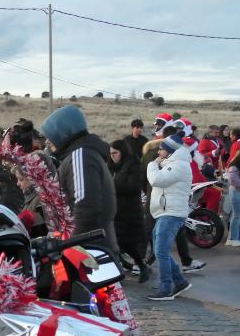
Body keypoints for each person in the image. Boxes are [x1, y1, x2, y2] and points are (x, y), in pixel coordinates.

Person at [40, 105, 118, 252]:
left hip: (88, 251)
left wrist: (70, 246)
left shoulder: (81, 156)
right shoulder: (82, 154)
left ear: (63, 133)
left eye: (51, 136)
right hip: (93, 246)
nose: (47, 142)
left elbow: (85, 206)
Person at [146, 135, 193, 301]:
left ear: (170, 150)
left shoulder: (178, 165)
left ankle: (166, 288)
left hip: (171, 213)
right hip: (165, 212)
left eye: (162, 149)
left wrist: (152, 165)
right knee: (161, 251)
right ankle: (180, 282)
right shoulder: (172, 164)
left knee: (160, 251)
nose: (159, 152)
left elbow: (156, 180)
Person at [108, 140, 150, 283]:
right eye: (111, 153)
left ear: (123, 152)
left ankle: (141, 265)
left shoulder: (133, 165)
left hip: (128, 211)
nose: (112, 156)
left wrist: (111, 185)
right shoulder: (113, 166)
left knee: (125, 243)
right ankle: (128, 267)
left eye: (115, 153)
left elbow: (133, 187)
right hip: (115, 210)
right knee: (116, 242)